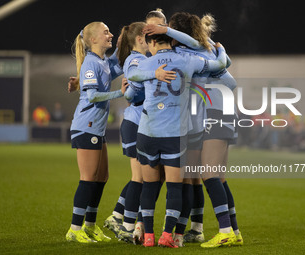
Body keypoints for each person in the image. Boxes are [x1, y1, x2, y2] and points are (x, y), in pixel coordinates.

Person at [143, 12, 243, 248]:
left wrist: (164, 33)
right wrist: (220, 59)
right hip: (223, 113)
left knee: (207, 175)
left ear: (177, 34)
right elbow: (230, 81)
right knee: (217, 177)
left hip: (214, 116)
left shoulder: (186, 53)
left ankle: (225, 230)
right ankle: (233, 230)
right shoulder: (205, 50)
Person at [127, 31, 227, 248]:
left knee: (149, 186)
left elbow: (132, 77)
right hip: (175, 134)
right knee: (175, 187)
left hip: (147, 132)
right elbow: (219, 64)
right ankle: (167, 235)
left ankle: (149, 237)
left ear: (152, 42)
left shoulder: (146, 63)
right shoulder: (188, 60)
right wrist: (220, 49)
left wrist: (154, 73)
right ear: (171, 41)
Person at [103, 9, 169, 244]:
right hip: (135, 122)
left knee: (149, 178)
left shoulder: (144, 58)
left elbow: (132, 86)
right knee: (141, 178)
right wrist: (153, 75)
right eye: (148, 34)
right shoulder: (136, 59)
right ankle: (129, 225)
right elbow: (135, 85)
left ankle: (125, 219)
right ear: (141, 38)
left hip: (144, 123)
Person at [65, 21, 128, 243]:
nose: (109, 34)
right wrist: (118, 94)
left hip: (96, 127)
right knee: (88, 178)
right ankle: (74, 229)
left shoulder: (101, 61)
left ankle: (90, 226)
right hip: (86, 125)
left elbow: (117, 65)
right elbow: (91, 96)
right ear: (93, 40)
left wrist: (122, 45)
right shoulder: (90, 63)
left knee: (101, 177)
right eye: (106, 32)